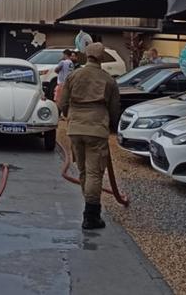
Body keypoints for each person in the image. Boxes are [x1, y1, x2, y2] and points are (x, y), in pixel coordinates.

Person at [60, 42, 120, 230]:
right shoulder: (108, 80)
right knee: (95, 173)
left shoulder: (74, 75)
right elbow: (115, 109)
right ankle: (91, 216)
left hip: (75, 128)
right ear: (102, 58)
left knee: (84, 171)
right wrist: (113, 127)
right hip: (96, 128)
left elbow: (63, 103)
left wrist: (70, 116)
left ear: (87, 56)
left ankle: (90, 207)